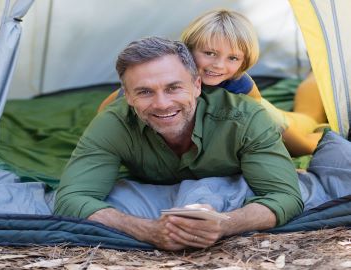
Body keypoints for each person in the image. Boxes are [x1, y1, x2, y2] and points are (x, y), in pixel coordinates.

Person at [55, 36, 304, 251]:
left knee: (306, 129)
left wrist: (226, 223)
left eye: (173, 88)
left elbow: (284, 196)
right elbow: (71, 198)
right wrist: (147, 230)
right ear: (128, 96)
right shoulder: (112, 123)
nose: (162, 104)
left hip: (288, 125)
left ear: (197, 85)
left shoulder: (246, 118)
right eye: (144, 92)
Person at [98, 9, 326, 157]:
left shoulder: (239, 83)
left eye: (232, 58)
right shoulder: (166, 72)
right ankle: (315, 75)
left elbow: (258, 112)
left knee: (305, 135)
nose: (218, 65)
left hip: (270, 116)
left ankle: (319, 73)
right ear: (189, 48)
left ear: (243, 62)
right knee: (306, 114)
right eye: (209, 53)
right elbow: (112, 105)